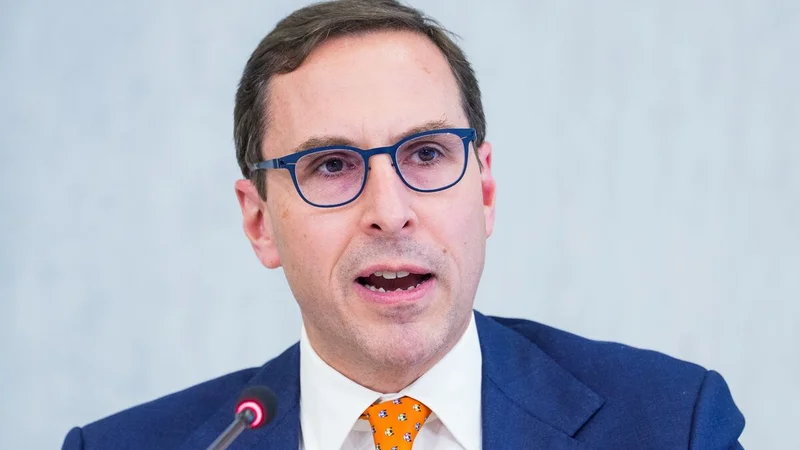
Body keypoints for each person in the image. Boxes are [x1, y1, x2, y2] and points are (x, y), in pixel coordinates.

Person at [61, 0, 745, 449]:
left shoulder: (670, 422)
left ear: (484, 189)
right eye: (332, 166)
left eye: (426, 154)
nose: (389, 212)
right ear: (260, 221)